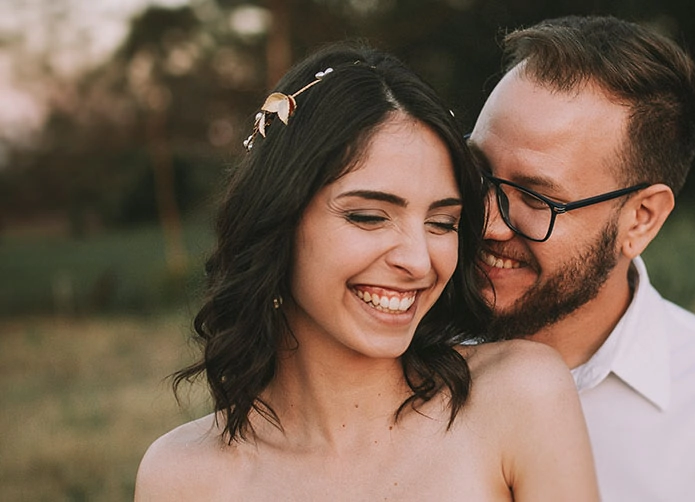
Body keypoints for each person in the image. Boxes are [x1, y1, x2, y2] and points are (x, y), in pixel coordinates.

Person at [134, 43, 599, 501]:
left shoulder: (519, 397)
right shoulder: (182, 477)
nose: (418, 261)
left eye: (442, 223)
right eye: (369, 217)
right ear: (279, 220)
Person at [469, 15, 695, 501]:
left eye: (537, 199)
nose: (487, 222)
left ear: (641, 219)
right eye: (476, 171)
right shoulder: (392, 343)